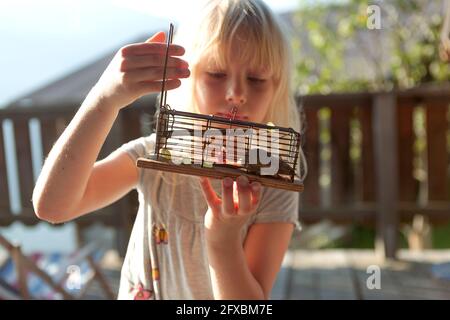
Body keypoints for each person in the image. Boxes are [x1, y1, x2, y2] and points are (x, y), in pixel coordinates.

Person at [32, 0, 307, 300]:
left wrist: (223, 241)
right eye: (216, 73)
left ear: (275, 88)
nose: (236, 94)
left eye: (256, 79)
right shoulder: (156, 156)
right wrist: (104, 98)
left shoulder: (273, 182)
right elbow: (53, 207)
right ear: (186, 79)